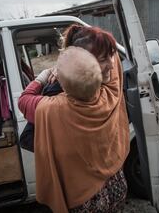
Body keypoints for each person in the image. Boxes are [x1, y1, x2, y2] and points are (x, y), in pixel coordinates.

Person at [18, 25, 130, 212]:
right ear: (88, 65)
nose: (111, 63)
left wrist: (45, 76)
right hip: (115, 185)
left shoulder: (53, 107)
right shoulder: (112, 90)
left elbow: (24, 101)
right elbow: (114, 57)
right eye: (104, 59)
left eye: (110, 57)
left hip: (83, 198)